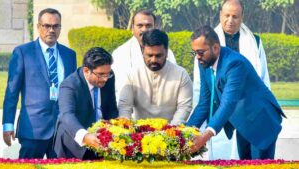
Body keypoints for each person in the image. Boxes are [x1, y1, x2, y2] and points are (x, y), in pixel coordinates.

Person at [187, 25, 285, 160]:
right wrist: (184, 133)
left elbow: (228, 103)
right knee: (244, 164)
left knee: (261, 166)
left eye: (201, 52)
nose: (197, 57)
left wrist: (205, 136)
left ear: (215, 48)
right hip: (242, 122)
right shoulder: (204, 62)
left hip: (261, 121)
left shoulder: (234, 64)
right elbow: (205, 102)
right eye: (194, 53)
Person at [192, 0, 270, 160]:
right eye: (227, 15)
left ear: (242, 17)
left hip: (250, 113)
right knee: (221, 158)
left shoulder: (255, 42)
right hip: (220, 112)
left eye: (235, 16)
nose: (230, 20)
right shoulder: (204, 44)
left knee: (253, 161)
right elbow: (202, 90)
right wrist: (188, 129)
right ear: (220, 14)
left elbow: (263, 78)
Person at [2, 8, 77, 159]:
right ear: (38, 27)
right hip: (32, 129)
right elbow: (11, 92)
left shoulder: (69, 55)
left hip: (62, 130)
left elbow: (74, 92)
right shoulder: (23, 52)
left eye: (55, 26)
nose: (51, 30)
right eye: (46, 26)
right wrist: (7, 124)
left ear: (60, 28)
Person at [54, 47, 118, 160]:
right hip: (73, 142)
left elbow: (112, 108)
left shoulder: (108, 77)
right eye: (101, 74)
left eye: (108, 74)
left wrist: (115, 129)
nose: (105, 79)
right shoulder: (69, 85)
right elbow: (67, 115)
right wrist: (85, 136)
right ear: (86, 70)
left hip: (101, 139)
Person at [118, 29, 192, 125]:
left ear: (166, 52)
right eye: (149, 55)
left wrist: (171, 132)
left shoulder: (181, 74)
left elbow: (184, 107)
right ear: (142, 51)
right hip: (138, 133)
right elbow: (124, 107)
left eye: (158, 55)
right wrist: (126, 129)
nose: (153, 60)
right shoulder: (132, 74)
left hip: (171, 132)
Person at [112, 9, 177, 101]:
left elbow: (173, 81)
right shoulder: (120, 53)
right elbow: (119, 87)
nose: (144, 29)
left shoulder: (167, 52)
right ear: (132, 29)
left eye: (149, 26)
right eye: (140, 25)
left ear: (155, 27)